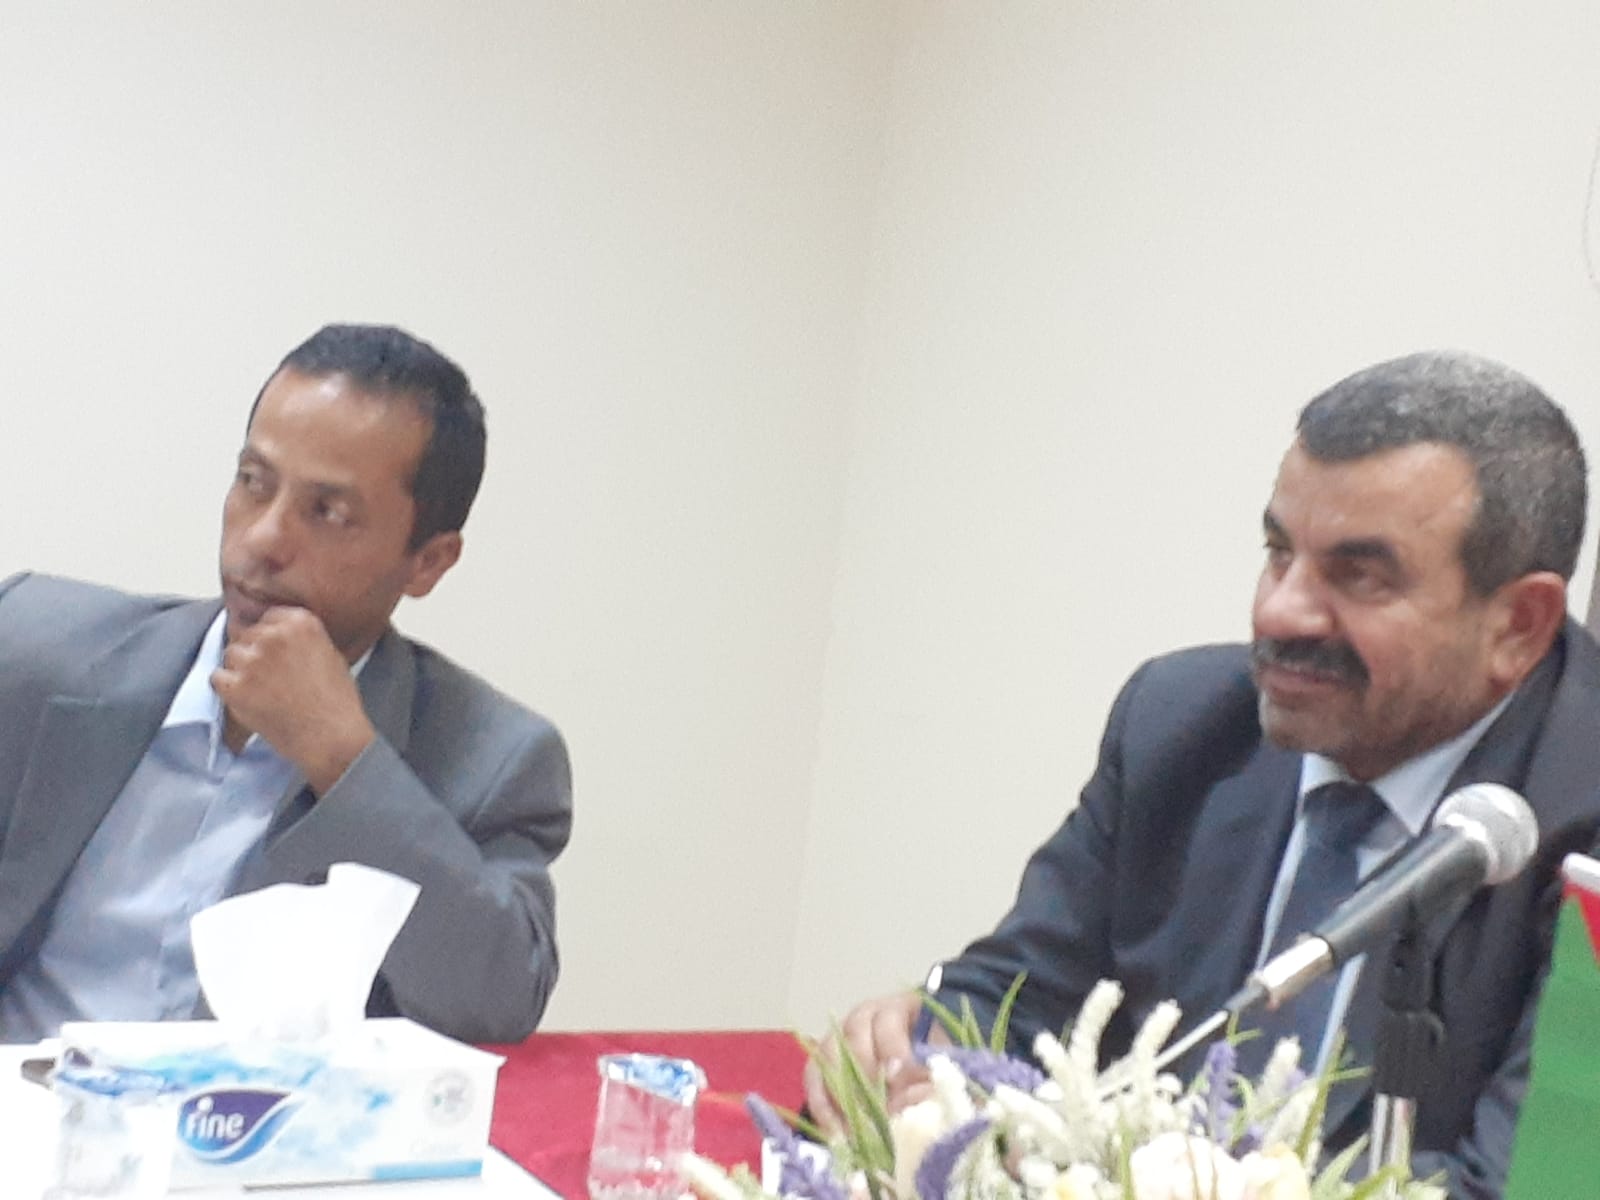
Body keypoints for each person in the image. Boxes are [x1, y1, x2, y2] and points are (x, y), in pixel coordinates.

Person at [804, 351, 1600, 1198]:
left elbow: (1519, 1188)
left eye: (1360, 576)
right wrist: (924, 1045)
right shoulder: (1182, 724)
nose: (1279, 611)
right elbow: (1017, 997)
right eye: (1278, 553)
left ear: (1518, 624)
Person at [0, 323, 572, 1045]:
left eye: (328, 512)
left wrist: (346, 763)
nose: (263, 538)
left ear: (428, 561)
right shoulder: (32, 645)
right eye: (253, 483)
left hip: (249, 1116)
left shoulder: (489, 758)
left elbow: (498, 999)